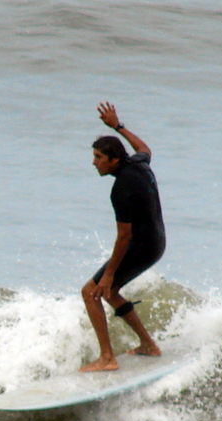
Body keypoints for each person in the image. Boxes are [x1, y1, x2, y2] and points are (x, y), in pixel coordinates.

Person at [80, 102, 166, 372]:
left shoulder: (121, 188)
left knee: (91, 292)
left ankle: (107, 358)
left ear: (114, 160)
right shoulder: (138, 164)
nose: (94, 162)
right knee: (111, 292)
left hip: (141, 246)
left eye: (98, 157)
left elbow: (124, 237)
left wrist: (107, 275)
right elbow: (145, 149)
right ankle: (148, 345)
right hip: (156, 243)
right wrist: (118, 127)